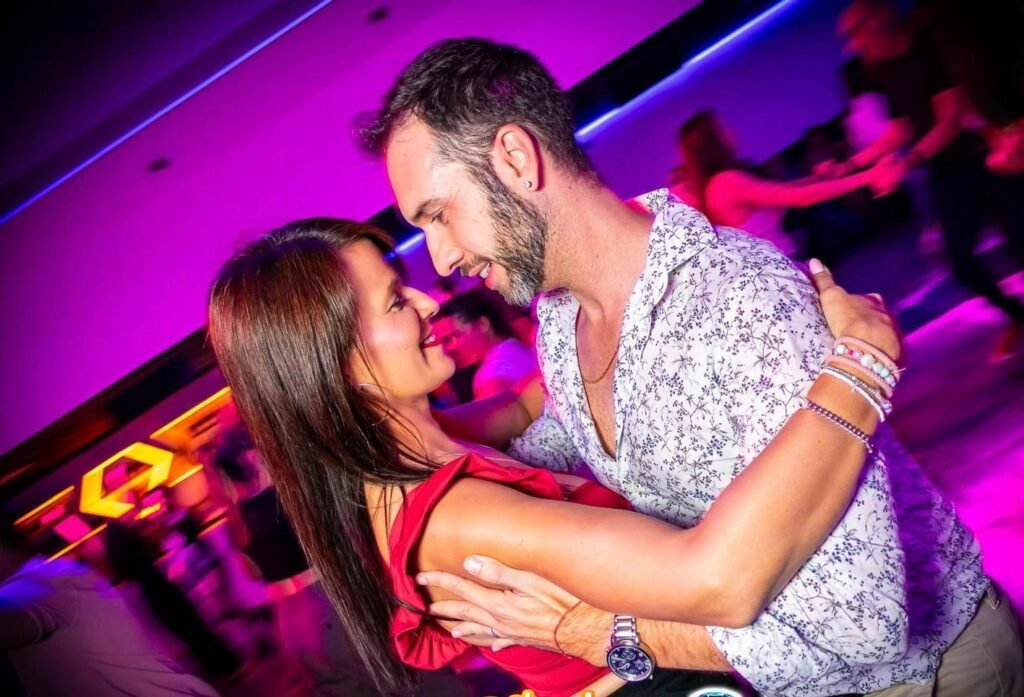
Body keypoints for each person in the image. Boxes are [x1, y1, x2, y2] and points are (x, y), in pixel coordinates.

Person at [362, 38, 1022, 696]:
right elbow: (577, 445)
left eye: (439, 215)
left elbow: (859, 624)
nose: (441, 261)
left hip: (930, 675)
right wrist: (407, 451)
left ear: (514, 159)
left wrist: (604, 632)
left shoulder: (733, 298)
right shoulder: (561, 327)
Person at [209, 216, 913, 697]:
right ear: (342, 367)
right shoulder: (456, 516)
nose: (428, 302)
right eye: (396, 301)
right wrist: (862, 364)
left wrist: (605, 299)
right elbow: (719, 579)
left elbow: (527, 403)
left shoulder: (432, 445)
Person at [209, 425, 468, 697]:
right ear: (252, 456)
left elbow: (252, 574)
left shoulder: (238, 519)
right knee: (418, 675)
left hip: (292, 623)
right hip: (333, 602)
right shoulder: (292, 494)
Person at [829, 0, 1024, 360]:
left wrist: (909, 161)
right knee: (960, 262)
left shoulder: (929, 46)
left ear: (878, 21)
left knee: (1020, 242)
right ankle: (1017, 315)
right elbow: (901, 129)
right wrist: (852, 164)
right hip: (947, 171)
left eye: (854, 34)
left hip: (982, 156)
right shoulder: (885, 70)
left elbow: (951, 116)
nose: (853, 46)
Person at [0, 523, 220, 697]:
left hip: (159, 593)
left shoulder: (37, 587)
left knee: (192, 630)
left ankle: (221, 664)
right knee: (191, 630)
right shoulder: (56, 574)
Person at [678, 109, 890, 257]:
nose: (730, 132)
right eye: (721, 130)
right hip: (782, 273)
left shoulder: (718, 185)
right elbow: (798, 197)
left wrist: (828, 176)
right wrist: (869, 176)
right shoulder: (726, 182)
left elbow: (788, 191)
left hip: (779, 272)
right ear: (711, 144)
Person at [433, 289, 538, 400]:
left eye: (454, 336)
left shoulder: (491, 376)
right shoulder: (515, 348)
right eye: (443, 342)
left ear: (483, 324)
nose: (448, 348)